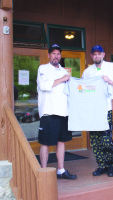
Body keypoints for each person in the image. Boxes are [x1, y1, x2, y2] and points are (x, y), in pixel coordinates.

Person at [82, 45, 113, 177]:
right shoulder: (87, 72)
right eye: (94, 54)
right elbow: (83, 90)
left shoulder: (112, 67)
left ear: (103, 54)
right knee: (95, 140)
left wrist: (110, 81)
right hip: (93, 110)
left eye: (99, 54)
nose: (97, 56)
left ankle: (111, 165)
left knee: (106, 140)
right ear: (91, 56)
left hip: (107, 108)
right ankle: (101, 166)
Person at [37, 44, 77, 180]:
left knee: (62, 141)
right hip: (49, 112)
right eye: (53, 53)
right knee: (46, 143)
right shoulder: (43, 68)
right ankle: (43, 172)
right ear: (48, 55)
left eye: (58, 54)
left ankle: (61, 170)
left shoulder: (64, 71)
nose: (56, 56)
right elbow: (44, 85)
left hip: (64, 112)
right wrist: (62, 79)